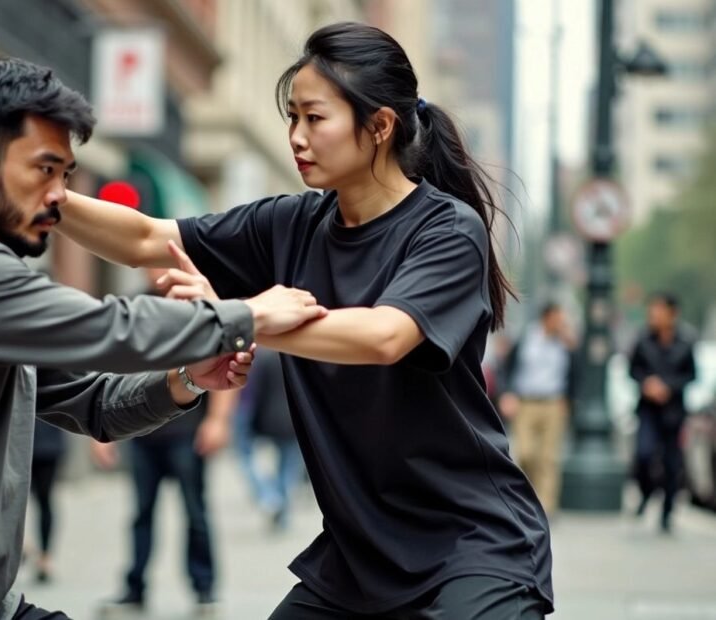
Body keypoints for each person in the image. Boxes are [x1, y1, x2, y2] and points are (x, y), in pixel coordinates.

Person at [0, 55, 327, 620]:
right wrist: (248, 313)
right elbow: (105, 328)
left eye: (65, 175)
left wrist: (187, 380)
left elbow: (95, 405)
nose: (59, 197)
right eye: (44, 170)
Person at [58, 21, 553, 619]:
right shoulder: (289, 225)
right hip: (356, 560)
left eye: (314, 119)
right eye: (292, 117)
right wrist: (40, 195)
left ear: (378, 127)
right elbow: (145, 239)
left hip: (471, 551)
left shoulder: (446, 230)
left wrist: (238, 318)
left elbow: (384, 335)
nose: (296, 136)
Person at [91, 269, 239, 618]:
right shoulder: (136, 307)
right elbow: (116, 366)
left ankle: (204, 589)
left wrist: (218, 420)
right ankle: (134, 588)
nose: (157, 268)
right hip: (142, 433)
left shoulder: (199, 304)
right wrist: (100, 432)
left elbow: (226, 361)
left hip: (187, 432)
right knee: (141, 513)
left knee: (195, 512)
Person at [498, 303, 576, 517]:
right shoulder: (527, 339)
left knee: (549, 457)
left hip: (553, 403)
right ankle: (527, 495)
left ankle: (546, 506)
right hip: (526, 402)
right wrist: (508, 393)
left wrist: (569, 399)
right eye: (558, 319)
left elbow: (576, 372)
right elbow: (507, 366)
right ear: (547, 317)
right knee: (525, 452)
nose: (561, 324)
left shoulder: (565, 344)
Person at [629, 292, 696, 533]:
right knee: (644, 454)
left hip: (673, 413)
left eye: (658, 311)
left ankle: (667, 513)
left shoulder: (686, 342)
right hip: (648, 411)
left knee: (671, 463)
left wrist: (669, 386)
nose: (653, 316)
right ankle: (646, 492)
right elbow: (633, 370)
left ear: (672, 314)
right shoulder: (643, 340)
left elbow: (691, 375)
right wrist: (647, 383)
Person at [233, 347, 304, 531]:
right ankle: (278, 504)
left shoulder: (263, 359)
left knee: (247, 457)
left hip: (270, 417)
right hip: (293, 419)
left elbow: (254, 393)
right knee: (288, 467)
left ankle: (271, 498)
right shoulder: (297, 356)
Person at [29, 418, 67, 583]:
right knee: (10, 500)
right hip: (16, 441)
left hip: (47, 443)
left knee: (44, 499)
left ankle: (45, 556)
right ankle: (23, 545)